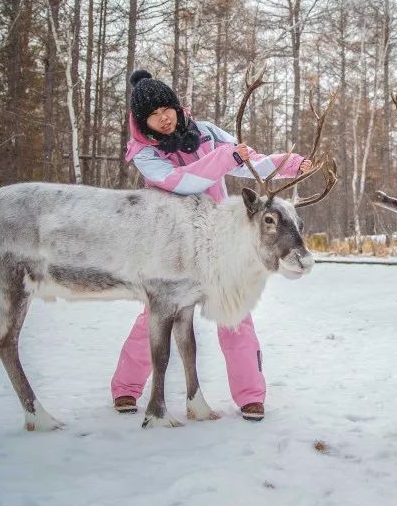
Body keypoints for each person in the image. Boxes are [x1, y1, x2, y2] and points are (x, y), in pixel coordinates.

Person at [111, 69, 311, 422]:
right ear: (143, 123)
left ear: (175, 106)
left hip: (215, 241)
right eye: (153, 115)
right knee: (154, 318)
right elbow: (179, 182)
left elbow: (251, 161)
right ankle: (126, 388)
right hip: (171, 244)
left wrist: (291, 164)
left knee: (235, 314)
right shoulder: (143, 153)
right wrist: (224, 159)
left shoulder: (206, 132)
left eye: (166, 108)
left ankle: (250, 394)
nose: (163, 118)